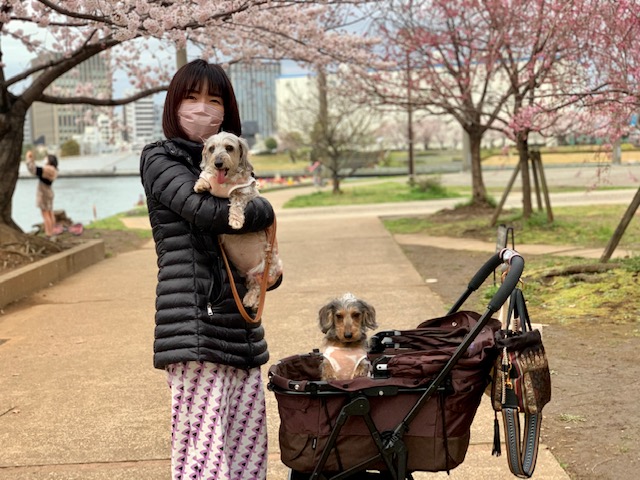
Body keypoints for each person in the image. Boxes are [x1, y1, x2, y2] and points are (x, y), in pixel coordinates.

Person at [139, 59, 281, 480]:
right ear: (174, 105)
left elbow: (255, 236)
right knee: (202, 457)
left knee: (247, 452)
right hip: (195, 324)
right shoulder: (160, 159)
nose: (202, 108)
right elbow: (207, 212)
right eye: (192, 98)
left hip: (240, 325)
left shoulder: (238, 169)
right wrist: (265, 207)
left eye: (214, 100)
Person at [25, 150, 58, 237]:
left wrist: (28, 158)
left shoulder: (48, 169)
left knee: (45, 214)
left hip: (44, 194)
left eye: (46, 158)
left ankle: (49, 234)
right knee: (50, 213)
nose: (44, 159)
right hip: (49, 193)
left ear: (50, 161)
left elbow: (34, 170)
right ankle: (52, 232)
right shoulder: (53, 170)